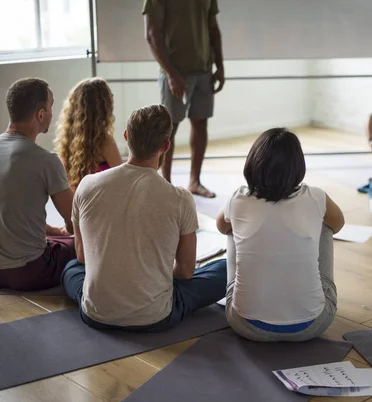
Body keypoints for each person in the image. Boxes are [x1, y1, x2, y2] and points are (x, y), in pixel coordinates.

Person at [61, 105, 227, 331]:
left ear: (127, 136)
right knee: (226, 269)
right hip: (155, 316)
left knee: (71, 268)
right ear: (166, 145)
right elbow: (186, 272)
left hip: (95, 313)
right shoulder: (180, 198)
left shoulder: (88, 185)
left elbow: (82, 257)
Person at [217, 128, 345, 342]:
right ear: (297, 167)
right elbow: (338, 224)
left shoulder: (237, 199)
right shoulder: (316, 197)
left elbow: (221, 227)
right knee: (325, 225)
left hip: (244, 324)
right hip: (312, 325)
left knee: (231, 227)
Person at [143, 0, 224, 198]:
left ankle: (194, 182)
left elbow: (213, 28)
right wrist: (171, 75)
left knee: (200, 123)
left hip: (203, 70)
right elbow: (152, 34)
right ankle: (165, 184)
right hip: (175, 72)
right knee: (168, 128)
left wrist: (220, 65)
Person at [0, 78, 76, 291]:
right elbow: (74, 220)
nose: (52, 112)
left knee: (58, 239)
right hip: (29, 271)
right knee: (84, 246)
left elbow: (9, 213)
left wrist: (52, 230)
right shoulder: (46, 160)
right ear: (40, 114)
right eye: (51, 106)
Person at [54, 78, 122, 189]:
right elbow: (124, 179)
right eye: (111, 96)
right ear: (103, 107)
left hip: (80, 203)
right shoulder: (104, 141)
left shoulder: (67, 141)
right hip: (103, 202)